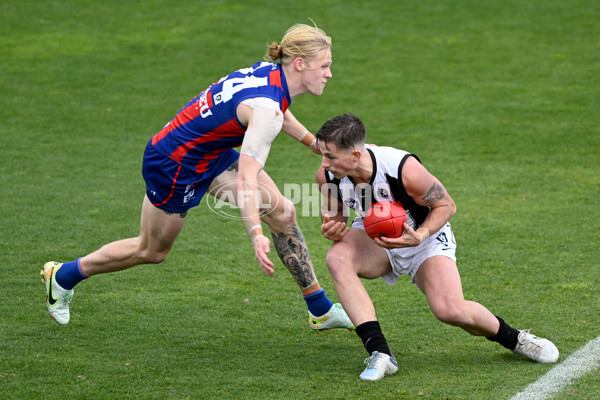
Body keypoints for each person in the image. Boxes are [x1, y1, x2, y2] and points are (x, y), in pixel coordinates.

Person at [41, 23, 353, 334]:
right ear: (300, 64)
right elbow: (246, 177)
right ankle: (64, 275)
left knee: (282, 212)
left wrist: (312, 142)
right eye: (324, 65)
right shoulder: (266, 108)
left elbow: (276, 110)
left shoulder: (270, 75)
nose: (329, 73)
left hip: (209, 154)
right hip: (173, 164)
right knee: (151, 251)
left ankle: (320, 310)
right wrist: (256, 233)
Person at [314, 113, 559, 381]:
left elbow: (446, 205)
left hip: (426, 239)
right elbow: (337, 215)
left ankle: (515, 339)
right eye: (323, 154)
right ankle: (380, 354)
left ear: (356, 156)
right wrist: (333, 227)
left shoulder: (401, 168)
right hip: (378, 237)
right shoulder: (327, 177)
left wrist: (419, 235)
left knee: (450, 310)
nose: (324, 163)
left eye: (331, 156)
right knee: (337, 257)